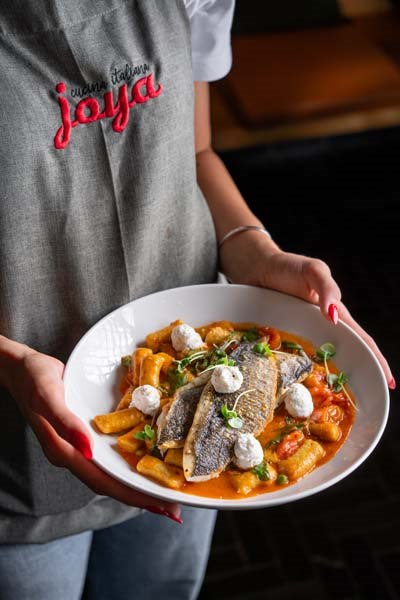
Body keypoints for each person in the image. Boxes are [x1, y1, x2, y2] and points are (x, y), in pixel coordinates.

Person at [0, 1, 394, 599]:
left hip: (207, 397)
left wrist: (253, 249)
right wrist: (9, 363)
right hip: (17, 429)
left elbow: (196, 153)